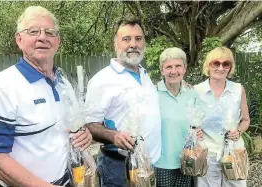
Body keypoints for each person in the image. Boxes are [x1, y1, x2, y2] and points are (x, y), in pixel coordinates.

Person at [0, 6, 92, 187]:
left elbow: (70, 129)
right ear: (19, 39)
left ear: (57, 41)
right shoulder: (1, 86)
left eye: (49, 32)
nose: (42, 37)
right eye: (33, 31)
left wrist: (85, 135)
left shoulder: (64, 83)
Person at [83, 17, 161, 187]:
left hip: (148, 164)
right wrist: (114, 136)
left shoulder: (145, 75)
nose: (133, 44)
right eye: (126, 39)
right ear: (116, 44)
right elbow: (89, 124)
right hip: (118, 167)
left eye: (138, 39)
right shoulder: (102, 80)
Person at [194, 47, 250, 187]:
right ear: (208, 65)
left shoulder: (238, 89)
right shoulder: (196, 91)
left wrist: (239, 131)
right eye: (216, 63)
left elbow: (246, 119)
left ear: (230, 68)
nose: (220, 67)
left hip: (234, 151)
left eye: (226, 64)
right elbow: (191, 121)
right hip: (207, 153)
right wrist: (194, 130)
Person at [154, 47, 203, 187]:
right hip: (161, 162)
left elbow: (197, 123)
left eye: (178, 66)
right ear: (162, 70)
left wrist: (198, 131)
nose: (173, 71)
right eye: (168, 67)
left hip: (187, 159)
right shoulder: (153, 94)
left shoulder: (192, 94)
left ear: (185, 68)